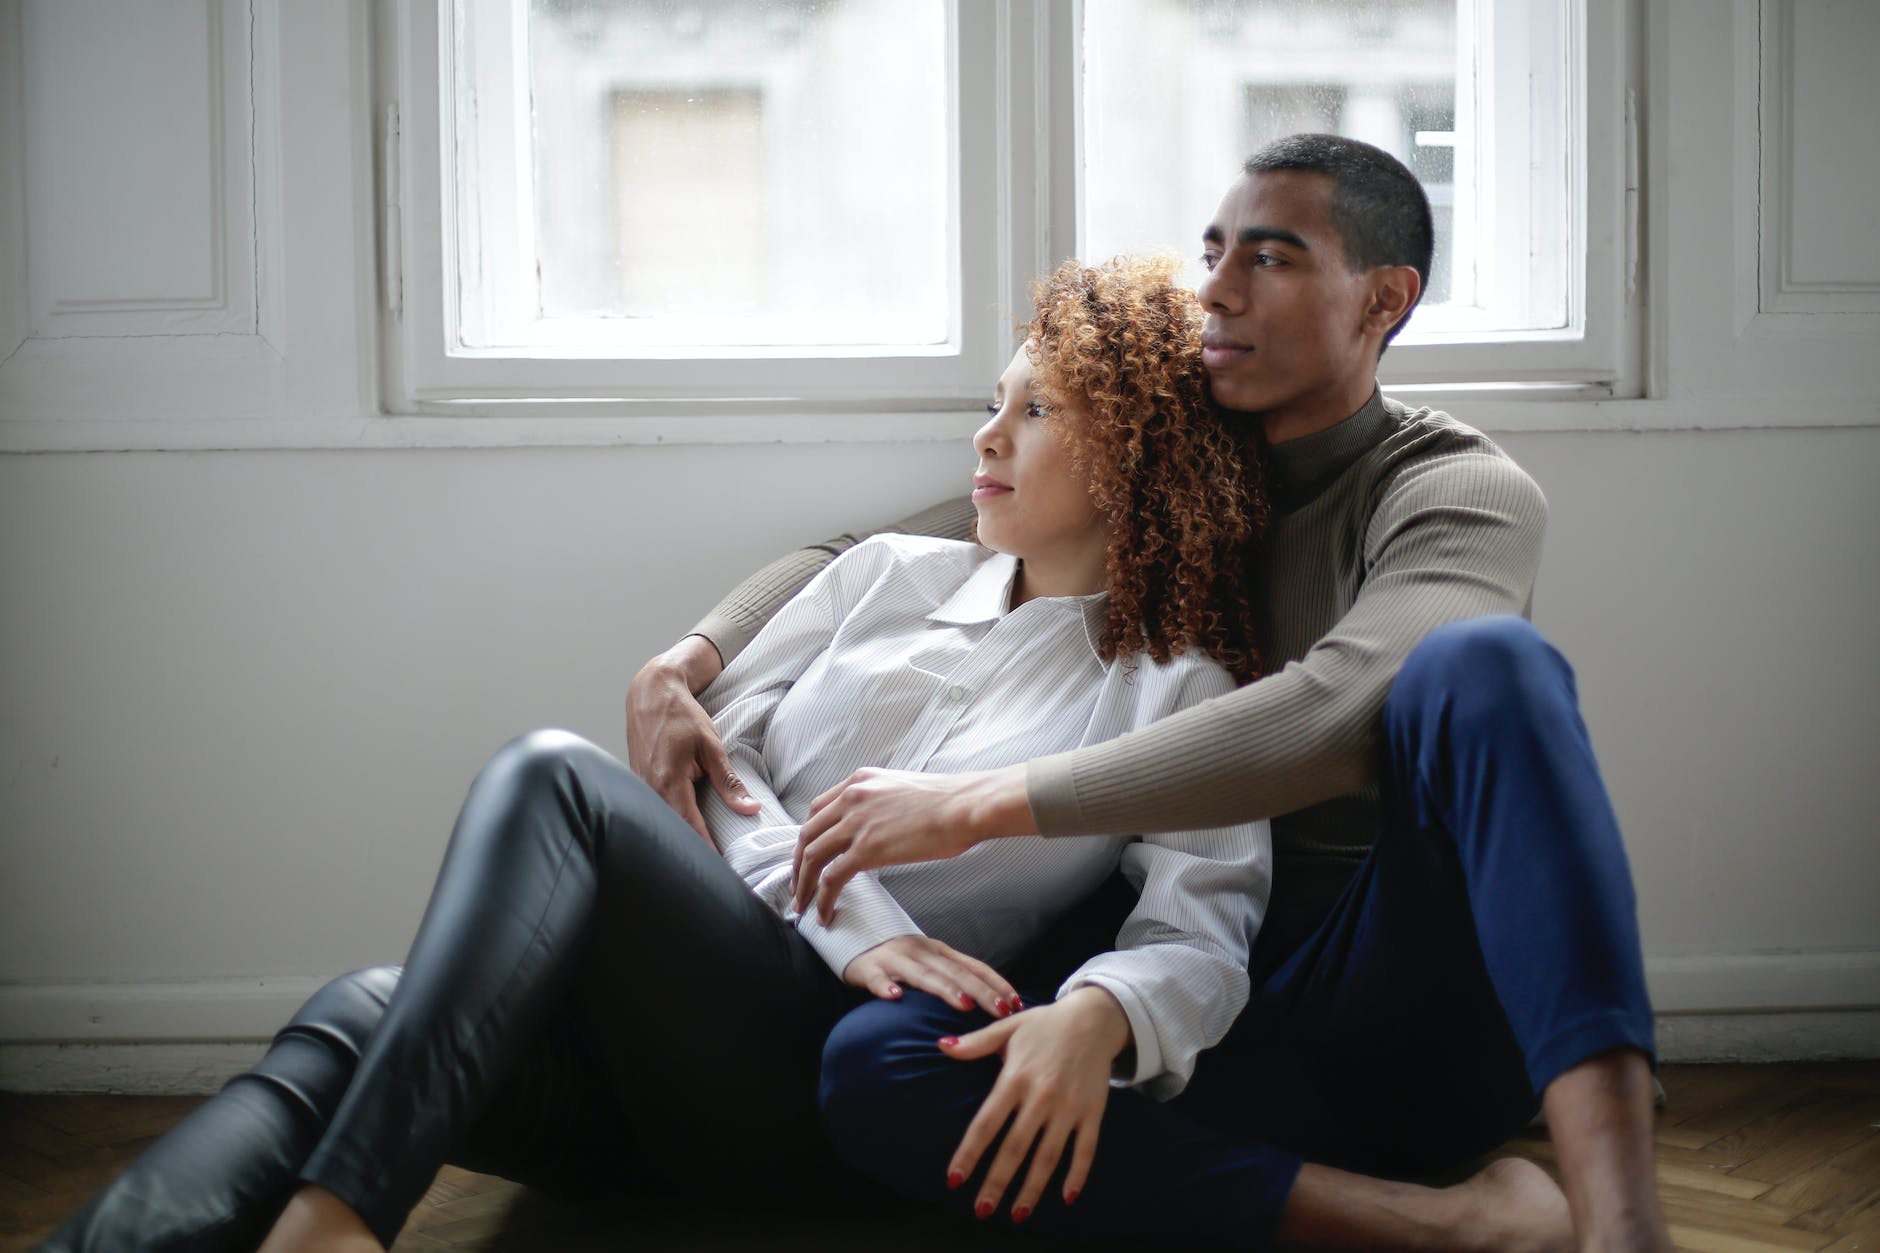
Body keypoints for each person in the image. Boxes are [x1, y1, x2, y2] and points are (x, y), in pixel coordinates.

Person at [38, 255, 1275, 1253]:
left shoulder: (1175, 687)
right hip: (671, 1060)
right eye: (993, 401)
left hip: (825, 1090)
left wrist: (1103, 1012)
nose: (986, 433)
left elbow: (1199, 933)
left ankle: (341, 1218)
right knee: (363, 1009)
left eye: (1035, 408)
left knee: (553, 777)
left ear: (1134, 450)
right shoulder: (886, 575)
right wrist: (858, 919)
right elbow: (709, 778)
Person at [628, 134, 1671, 1251]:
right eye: (1214, 250)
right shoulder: (1160, 445)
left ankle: (1619, 1219)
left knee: (1488, 665)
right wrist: (685, 659)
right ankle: (1436, 1224)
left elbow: (1341, 705)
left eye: (1267, 260)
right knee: (883, 1066)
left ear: (1382, 299)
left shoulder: (1450, 487)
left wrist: (987, 799)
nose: (1214, 289)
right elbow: (874, 548)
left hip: (1375, 989)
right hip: (1184, 1002)